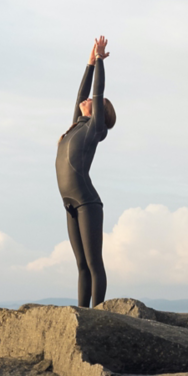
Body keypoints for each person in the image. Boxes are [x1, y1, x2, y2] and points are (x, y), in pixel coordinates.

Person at [56, 36, 117, 307]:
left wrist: (101, 61)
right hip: (69, 203)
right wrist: (89, 63)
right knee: (80, 264)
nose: (85, 101)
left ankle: (98, 314)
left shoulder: (95, 129)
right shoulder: (76, 125)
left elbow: (96, 92)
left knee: (93, 263)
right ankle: (82, 314)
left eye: (93, 102)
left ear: (98, 112)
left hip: (87, 202)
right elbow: (82, 94)